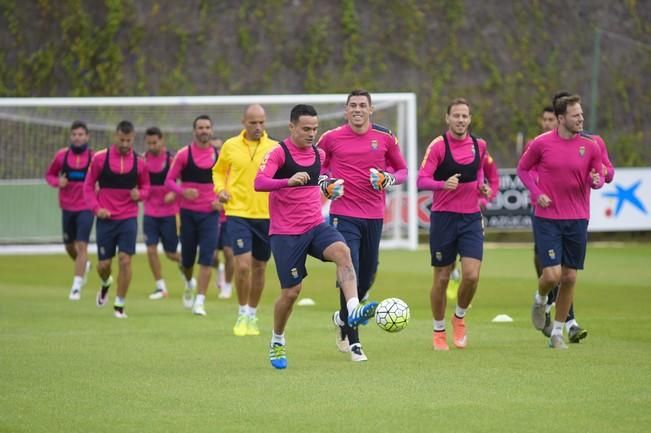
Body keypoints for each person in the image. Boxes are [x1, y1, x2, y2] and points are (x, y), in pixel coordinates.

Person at [254, 104, 378, 369]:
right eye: (306, 129)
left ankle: (353, 308)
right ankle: (277, 340)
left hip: (315, 226)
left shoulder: (319, 154)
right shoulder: (278, 153)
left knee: (343, 252)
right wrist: (286, 181)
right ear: (292, 127)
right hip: (286, 233)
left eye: (315, 128)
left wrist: (328, 187)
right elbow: (259, 182)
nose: (312, 133)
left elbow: (321, 180)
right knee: (291, 292)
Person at [317, 89, 407, 361]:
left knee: (367, 276)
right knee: (349, 268)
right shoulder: (330, 138)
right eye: (352, 105)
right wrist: (326, 184)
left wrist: (387, 179)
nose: (357, 109)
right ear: (346, 111)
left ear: (371, 110)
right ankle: (355, 343)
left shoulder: (385, 137)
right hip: (343, 216)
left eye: (362, 105)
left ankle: (342, 318)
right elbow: (315, 168)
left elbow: (402, 170)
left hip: (374, 216)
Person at [517, 94, 604, 349]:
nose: (581, 119)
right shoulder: (541, 144)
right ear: (561, 118)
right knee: (552, 275)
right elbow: (522, 170)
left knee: (569, 278)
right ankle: (540, 298)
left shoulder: (591, 145)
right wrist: (537, 193)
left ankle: (556, 333)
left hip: (577, 219)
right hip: (548, 219)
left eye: (581, 114)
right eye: (576, 115)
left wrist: (597, 181)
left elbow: (598, 173)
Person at [417, 98, 492, 351]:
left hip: (470, 218)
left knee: (471, 275)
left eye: (465, 116)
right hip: (443, 219)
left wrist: (482, 186)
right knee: (442, 278)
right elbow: (421, 180)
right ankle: (438, 331)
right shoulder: (438, 146)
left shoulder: (479, 145)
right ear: (447, 118)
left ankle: (459, 318)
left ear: (470, 119)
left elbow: (479, 170)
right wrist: (442, 184)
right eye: (456, 116)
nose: (461, 120)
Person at [212, 104, 277, 336]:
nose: (258, 127)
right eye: (253, 122)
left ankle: (252, 313)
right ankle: (241, 313)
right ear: (243, 122)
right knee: (242, 266)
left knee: (260, 268)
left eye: (261, 122)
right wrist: (220, 189)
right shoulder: (230, 146)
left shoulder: (275, 148)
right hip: (237, 212)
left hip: (267, 215)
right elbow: (218, 171)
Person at [83, 120, 150, 318]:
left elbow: (146, 188)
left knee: (125, 260)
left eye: (128, 140)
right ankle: (106, 283)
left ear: (133, 139)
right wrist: (96, 209)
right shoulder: (99, 159)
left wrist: (141, 195)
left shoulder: (140, 163)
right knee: (104, 265)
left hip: (128, 218)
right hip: (106, 218)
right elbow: (88, 187)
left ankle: (119, 304)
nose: (124, 144)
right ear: (115, 137)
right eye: (121, 140)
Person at [165, 115, 221, 316]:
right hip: (188, 214)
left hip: (210, 215)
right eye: (200, 127)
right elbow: (169, 181)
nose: (204, 130)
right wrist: (182, 192)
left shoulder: (219, 155)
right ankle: (189, 282)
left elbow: (229, 183)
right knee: (187, 261)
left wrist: (221, 201)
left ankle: (200, 301)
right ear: (194, 131)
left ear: (212, 130)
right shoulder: (183, 154)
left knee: (207, 257)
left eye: (207, 127)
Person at [45, 121, 94, 300]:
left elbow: (103, 178)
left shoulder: (93, 157)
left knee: (82, 245)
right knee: (69, 246)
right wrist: (58, 182)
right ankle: (84, 265)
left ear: (87, 136)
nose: (77, 138)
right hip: (67, 207)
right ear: (70, 137)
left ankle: (76, 287)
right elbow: (49, 175)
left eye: (81, 134)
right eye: (74, 134)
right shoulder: (61, 156)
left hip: (86, 207)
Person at [447, 150, 500, 301]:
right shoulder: (446, 150)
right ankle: (453, 274)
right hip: (449, 210)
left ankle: (464, 296)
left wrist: (485, 199)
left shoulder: (483, 154)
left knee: (470, 261)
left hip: (473, 212)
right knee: (448, 255)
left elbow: (494, 180)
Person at [142, 127, 182, 300]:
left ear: (162, 141)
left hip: (169, 213)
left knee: (171, 254)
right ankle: (160, 287)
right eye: (149, 143)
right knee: (151, 249)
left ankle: (187, 272)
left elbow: (182, 179)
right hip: (150, 212)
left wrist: (175, 192)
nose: (152, 145)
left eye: (155, 142)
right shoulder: (142, 160)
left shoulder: (172, 159)